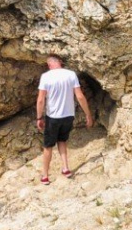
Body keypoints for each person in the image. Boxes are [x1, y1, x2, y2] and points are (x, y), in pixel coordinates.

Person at [35, 54, 94, 183]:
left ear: (50, 64)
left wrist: (39, 117)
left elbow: (40, 100)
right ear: (60, 62)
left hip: (53, 117)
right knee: (62, 140)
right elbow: (80, 96)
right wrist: (88, 114)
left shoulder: (46, 76)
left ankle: (45, 176)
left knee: (48, 146)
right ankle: (66, 168)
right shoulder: (71, 74)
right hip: (68, 115)